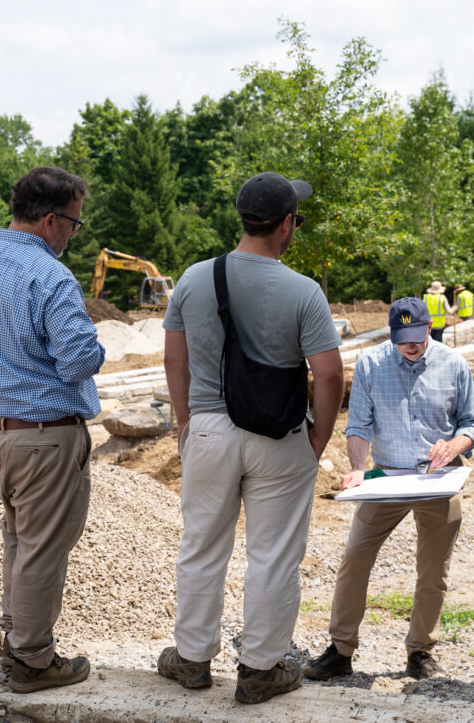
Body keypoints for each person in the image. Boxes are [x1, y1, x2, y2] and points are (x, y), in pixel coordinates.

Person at [156, 172, 344, 704]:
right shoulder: (303, 292)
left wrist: (186, 421)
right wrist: (318, 441)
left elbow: (175, 356)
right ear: (285, 224)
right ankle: (261, 669)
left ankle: (191, 659)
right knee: (274, 554)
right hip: (280, 436)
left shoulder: (193, 279)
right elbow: (328, 374)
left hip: (210, 429)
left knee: (201, 546)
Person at [0, 166, 104, 694]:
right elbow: (78, 360)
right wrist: (99, 347)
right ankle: (32, 660)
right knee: (41, 549)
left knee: (19, 542)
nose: (74, 236)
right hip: (45, 434)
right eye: (74, 225)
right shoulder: (50, 275)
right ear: (51, 220)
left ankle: (19, 641)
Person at [303, 297, 474, 682]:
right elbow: (358, 425)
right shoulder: (371, 363)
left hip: (441, 479)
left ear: (430, 329)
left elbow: (473, 422)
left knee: (433, 570)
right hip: (386, 477)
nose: (411, 346)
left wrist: (453, 445)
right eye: (402, 339)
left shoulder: (454, 364)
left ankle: (420, 652)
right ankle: (340, 649)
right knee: (355, 557)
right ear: (391, 334)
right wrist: (357, 469)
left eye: (417, 338)